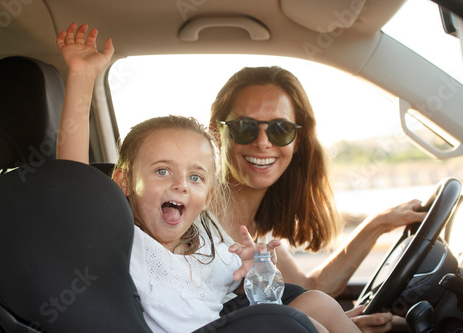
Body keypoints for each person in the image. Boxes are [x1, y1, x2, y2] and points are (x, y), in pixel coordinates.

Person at [56, 23, 361, 333]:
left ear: (207, 198)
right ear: (123, 182)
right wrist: (82, 77)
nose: (180, 184)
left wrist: (250, 270)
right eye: (162, 171)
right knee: (299, 325)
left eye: (195, 177)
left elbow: (247, 290)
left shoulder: (208, 246)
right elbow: (72, 182)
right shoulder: (123, 239)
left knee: (320, 305)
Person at [209, 66, 429, 332]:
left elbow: (308, 290)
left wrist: (378, 225)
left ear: (298, 140)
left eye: (281, 129)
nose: (263, 142)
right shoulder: (195, 217)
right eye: (244, 127)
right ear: (215, 132)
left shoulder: (261, 234)